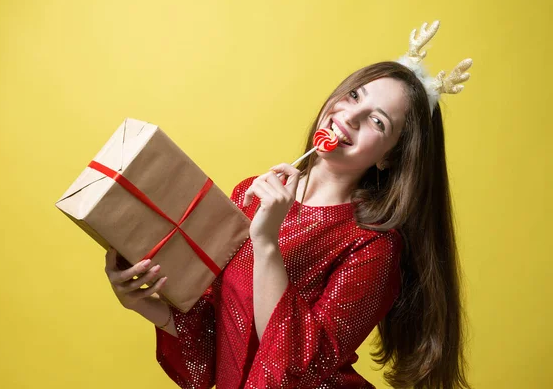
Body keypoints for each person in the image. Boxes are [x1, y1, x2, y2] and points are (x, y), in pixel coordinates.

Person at [104, 21, 472, 388]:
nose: (351, 117)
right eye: (355, 96)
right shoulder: (250, 194)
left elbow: (300, 367)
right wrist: (141, 301)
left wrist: (266, 243)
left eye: (377, 121)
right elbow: (214, 345)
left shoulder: (374, 246)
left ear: (389, 158)